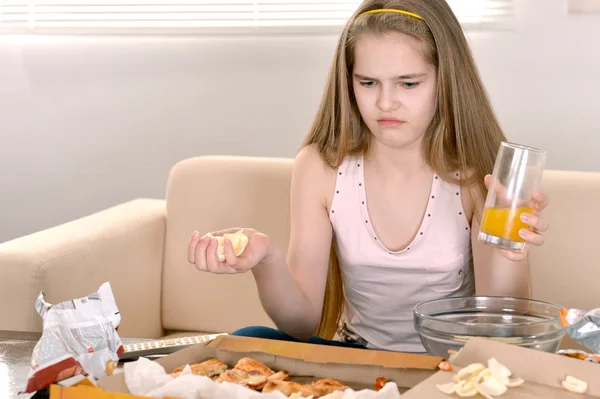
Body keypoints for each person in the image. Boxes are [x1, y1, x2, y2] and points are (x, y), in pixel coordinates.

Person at [187, 0, 550, 353]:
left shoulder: (475, 175)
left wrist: (508, 254)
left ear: (447, 82)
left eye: (409, 84)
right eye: (368, 82)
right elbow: (301, 325)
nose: (386, 103)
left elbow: (500, 329)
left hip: (447, 366)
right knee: (250, 336)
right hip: (356, 358)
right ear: (349, 82)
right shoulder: (320, 166)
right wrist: (266, 260)